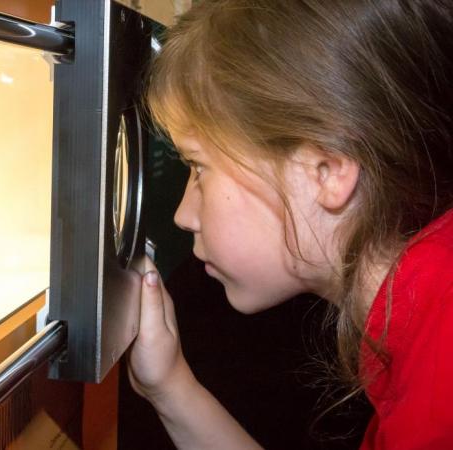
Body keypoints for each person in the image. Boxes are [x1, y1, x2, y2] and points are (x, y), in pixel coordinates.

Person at [127, 0, 453, 448]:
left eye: (199, 168)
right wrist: (168, 384)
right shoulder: (420, 311)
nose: (183, 215)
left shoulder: (442, 360)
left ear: (327, 170)